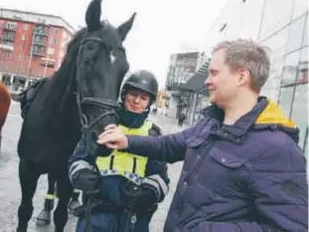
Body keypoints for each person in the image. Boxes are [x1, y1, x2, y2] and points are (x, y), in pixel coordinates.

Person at [97, 39, 308, 232]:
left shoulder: (276, 148)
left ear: (241, 77)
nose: (207, 81)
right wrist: (127, 140)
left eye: (214, 73)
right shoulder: (211, 123)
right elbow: (170, 145)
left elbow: (289, 228)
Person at [68, 70, 170, 232]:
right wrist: (82, 176)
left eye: (143, 98)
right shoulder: (101, 125)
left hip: (132, 220)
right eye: (133, 95)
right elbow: (77, 160)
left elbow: (160, 178)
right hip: (96, 214)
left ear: (149, 103)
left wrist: (148, 194)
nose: (137, 101)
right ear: (124, 95)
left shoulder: (153, 135)